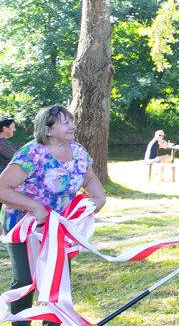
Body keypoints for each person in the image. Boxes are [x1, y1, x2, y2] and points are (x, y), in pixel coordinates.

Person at [0, 105, 107, 326]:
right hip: (23, 226)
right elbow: (2, 188)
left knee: (59, 280)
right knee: (25, 279)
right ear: (48, 129)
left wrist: (98, 198)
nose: (72, 125)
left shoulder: (77, 151)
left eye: (71, 121)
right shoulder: (31, 153)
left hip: (58, 227)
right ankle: (20, 323)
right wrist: (34, 206)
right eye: (65, 122)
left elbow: (89, 179)